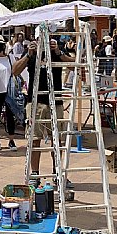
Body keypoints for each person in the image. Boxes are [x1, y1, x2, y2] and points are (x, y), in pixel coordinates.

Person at [12, 36, 75, 187]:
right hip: (35, 102)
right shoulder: (32, 53)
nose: (44, 42)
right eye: (41, 38)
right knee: (34, 139)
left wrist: (59, 52)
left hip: (55, 101)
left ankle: (57, 172)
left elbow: (75, 66)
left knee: (56, 140)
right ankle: (35, 173)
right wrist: (28, 54)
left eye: (47, 38)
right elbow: (15, 70)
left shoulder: (56, 52)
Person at [0, 35, 16, 152]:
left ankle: (11, 139)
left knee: (11, 115)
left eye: (1, 45)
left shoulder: (10, 58)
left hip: (9, 91)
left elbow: (16, 71)